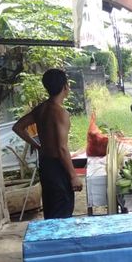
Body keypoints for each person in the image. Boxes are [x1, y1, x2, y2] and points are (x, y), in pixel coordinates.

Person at [13, 68, 82, 219]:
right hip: (58, 167)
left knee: (51, 210)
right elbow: (62, 148)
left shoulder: (41, 109)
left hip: (45, 165)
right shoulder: (60, 113)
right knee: (62, 211)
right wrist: (73, 176)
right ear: (65, 87)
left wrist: (36, 144)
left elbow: (18, 127)